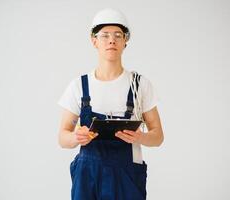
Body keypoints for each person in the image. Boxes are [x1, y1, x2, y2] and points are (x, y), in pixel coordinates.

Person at [58, 8, 164, 200]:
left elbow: (158, 136)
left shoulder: (140, 85)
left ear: (125, 42)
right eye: (105, 35)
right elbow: (62, 138)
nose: (111, 40)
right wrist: (76, 137)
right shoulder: (79, 86)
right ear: (94, 41)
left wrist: (140, 137)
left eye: (118, 35)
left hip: (127, 177)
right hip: (87, 178)